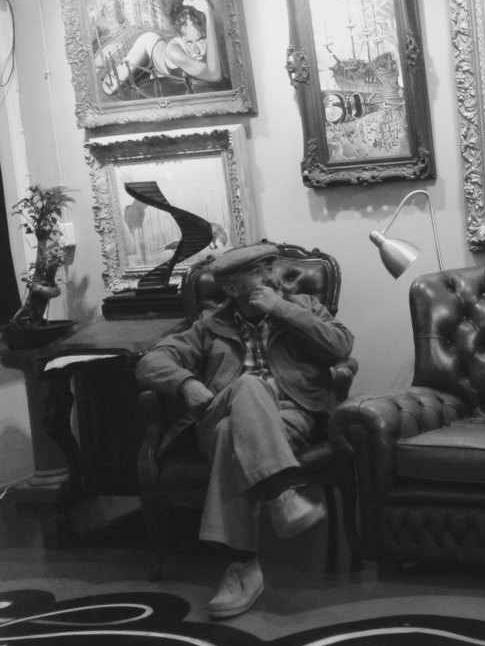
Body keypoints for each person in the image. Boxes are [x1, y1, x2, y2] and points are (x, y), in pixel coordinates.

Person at [135, 243, 354, 620]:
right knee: (250, 386)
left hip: (288, 416)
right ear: (232, 288)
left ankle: (242, 567)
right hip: (221, 406)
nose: (270, 276)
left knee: (228, 435)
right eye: (257, 272)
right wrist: (186, 383)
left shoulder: (302, 307)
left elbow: (341, 346)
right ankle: (280, 495)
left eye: (270, 266)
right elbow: (150, 362)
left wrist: (281, 309)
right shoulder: (208, 325)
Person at [101, 0, 225, 95]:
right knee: (110, 86)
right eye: (188, 43)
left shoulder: (207, 37)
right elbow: (214, 75)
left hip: (163, 53)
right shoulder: (174, 52)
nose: (196, 51)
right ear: (180, 38)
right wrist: (208, 11)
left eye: (201, 40)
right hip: (149, 44)